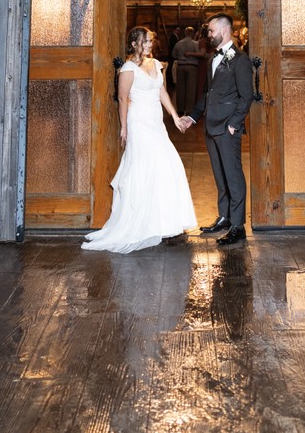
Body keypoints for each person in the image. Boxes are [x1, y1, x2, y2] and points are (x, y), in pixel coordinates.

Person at [82, 27, 196, 254]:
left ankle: (161, 220)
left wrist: (174, 117)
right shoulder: (128, 68)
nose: (150, 44)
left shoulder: (156, 64)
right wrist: (124, 127)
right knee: (143, 168)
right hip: (138, 123)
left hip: (156, 123)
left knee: (166, 165)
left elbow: (162, 92)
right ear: (135, 43)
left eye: (151, 41)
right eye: (146, 41)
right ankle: (140, 221)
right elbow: (123, 98)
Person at [180, 13, 254, 245]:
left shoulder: (240, 60)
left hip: (227, 128)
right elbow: (207, 95)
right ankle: (224, 216)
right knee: (220, 176)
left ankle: (237, 225)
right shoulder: (213, 58)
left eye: (211, 31)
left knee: (233, 176)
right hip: (211, 127)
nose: (208, 35)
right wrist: (193, 117)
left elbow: (247, 96)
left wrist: (234, 124)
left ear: (224, 31)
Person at [172, 26, 201, 114]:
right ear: (192, 33)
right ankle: (189, 109)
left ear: (185, 33)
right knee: (191, 89)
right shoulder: (195, 44)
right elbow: (199, 54)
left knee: (180, 89)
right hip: (192, 66)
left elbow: (173, 55)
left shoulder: (178, 43)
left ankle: (180, 109)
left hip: (180, 66)